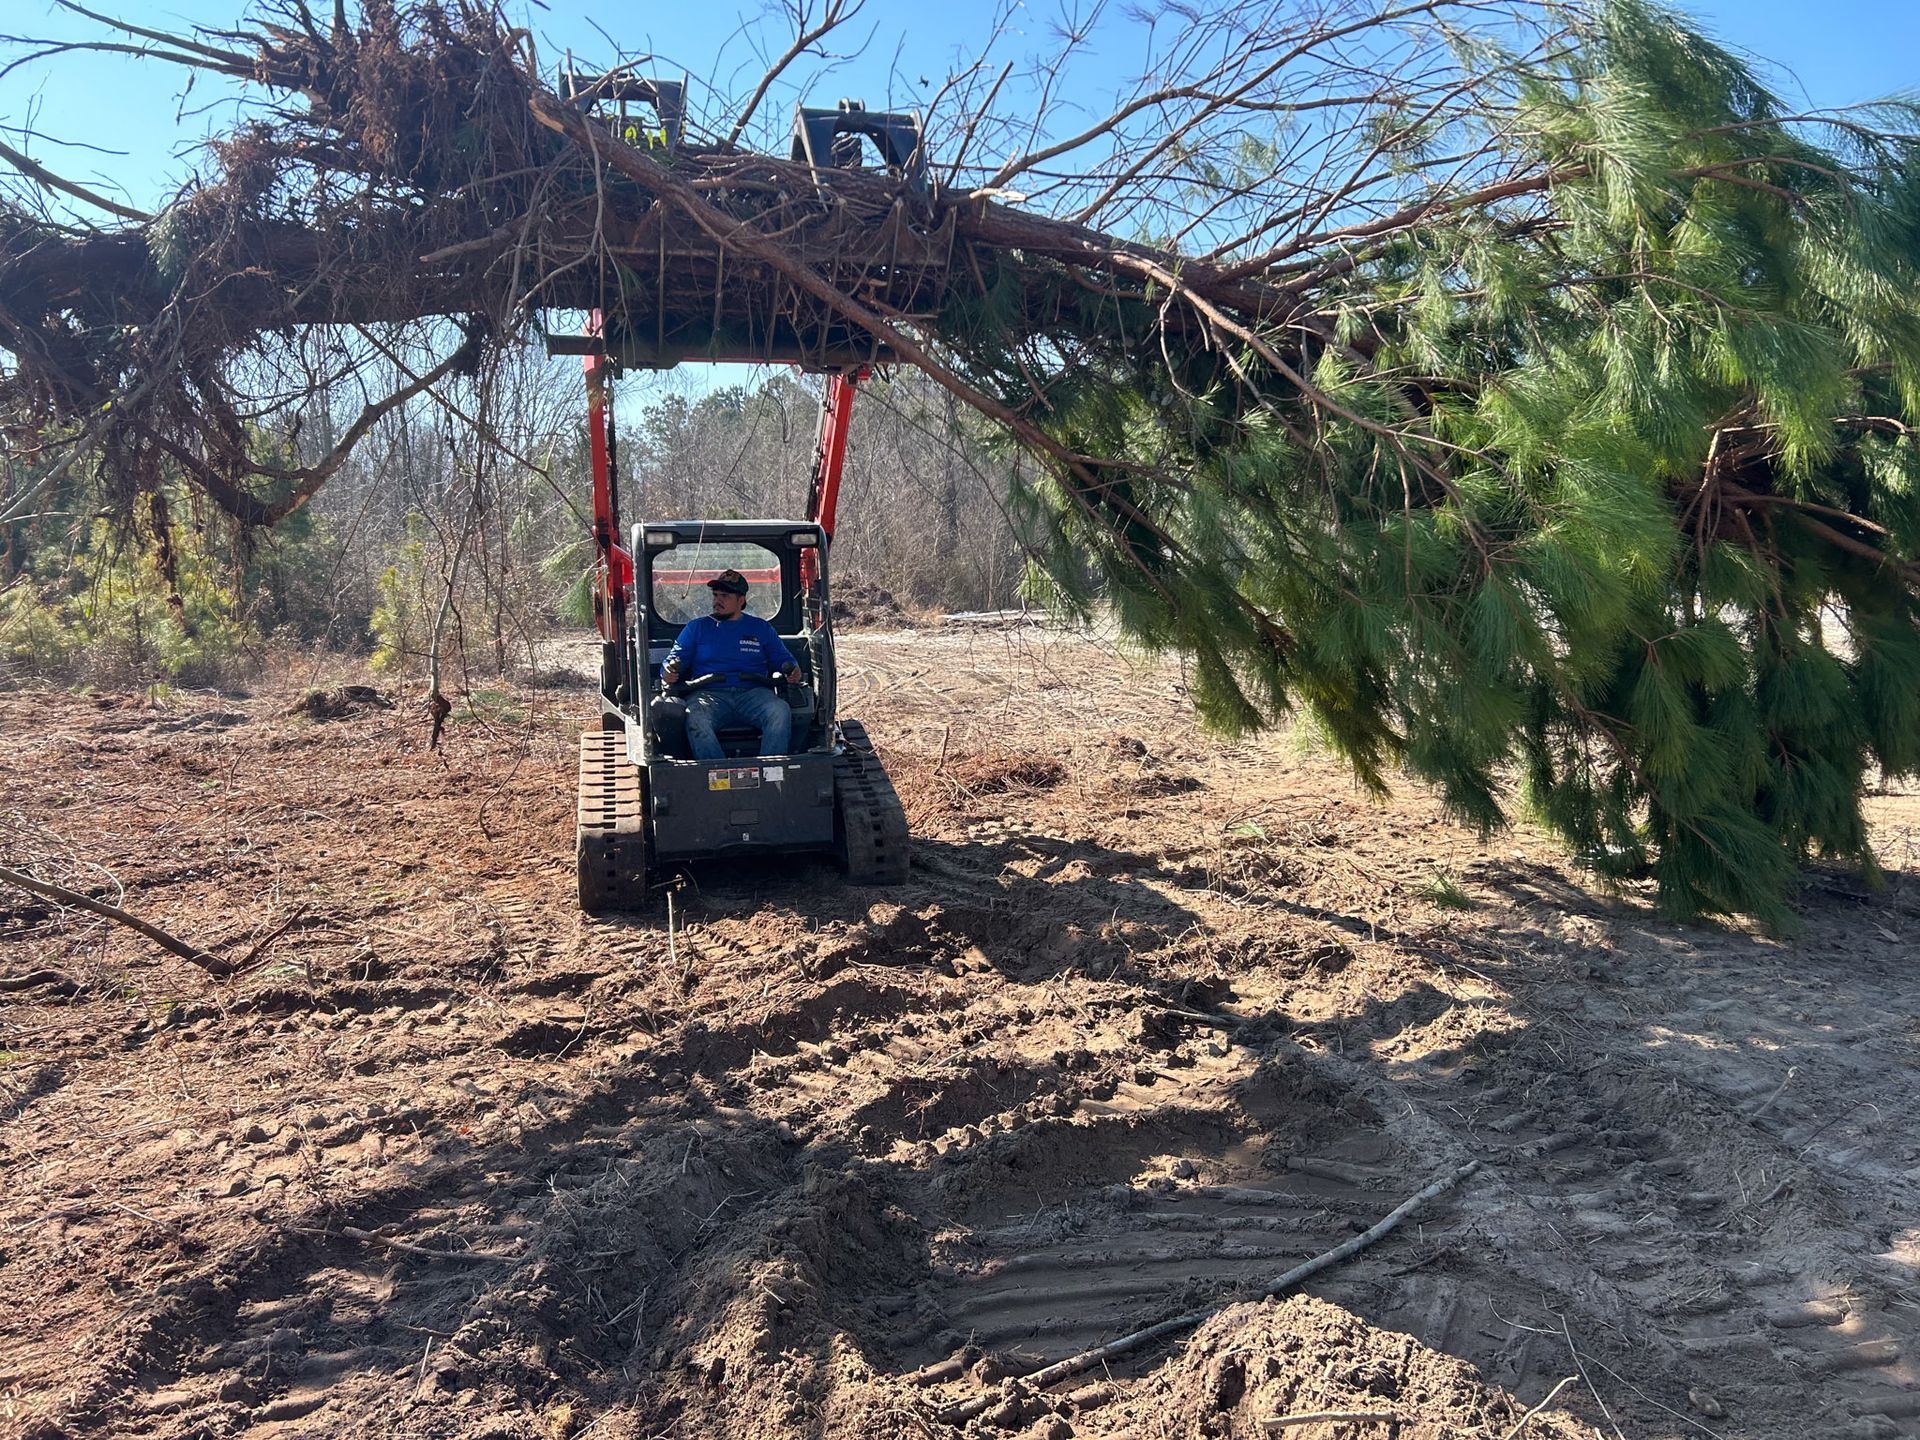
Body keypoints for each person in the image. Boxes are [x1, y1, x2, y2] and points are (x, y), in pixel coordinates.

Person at [660, 569, 803, 759]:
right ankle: (717, 775)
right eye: (716, 595)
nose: (717, 601)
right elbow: (674, 659)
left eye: (725, 596)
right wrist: (668, 671)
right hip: (709, 695)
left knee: (779, 711)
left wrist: (793, 669)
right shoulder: (696, 628)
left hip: (754, 694)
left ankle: (770, 771)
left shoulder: (760, 628)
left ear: (741, 600)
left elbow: (783, 658)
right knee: (694, 716)